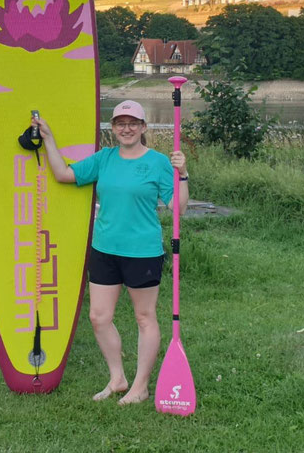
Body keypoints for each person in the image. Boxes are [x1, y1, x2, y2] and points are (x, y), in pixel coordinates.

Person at [32, 100, 188, 405]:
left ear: (144, 127)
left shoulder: (158, 162)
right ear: (113, 128)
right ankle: (118, 378)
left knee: (144, 317)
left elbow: (178, 208)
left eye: (133, 123)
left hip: (142, 251)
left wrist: (182, 174)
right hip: (104, 248)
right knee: (99, 317)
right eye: (120, 123)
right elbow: (64, 174)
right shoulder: (104, 159)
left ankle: (141, 386)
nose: (126, 128)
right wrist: (48, 139)